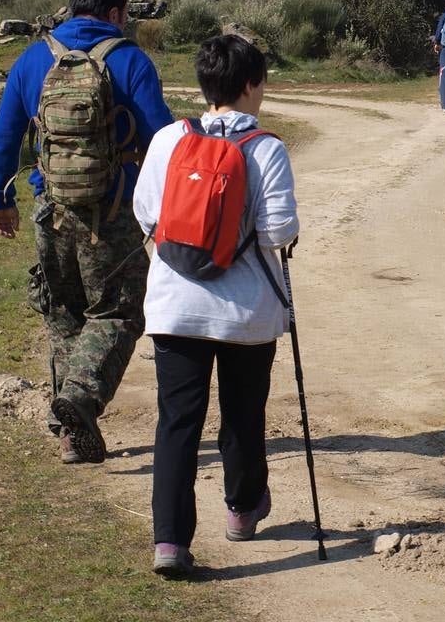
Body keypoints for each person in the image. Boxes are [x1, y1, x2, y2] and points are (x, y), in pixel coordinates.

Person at [0, 0, 173, 463]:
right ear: (115, 13)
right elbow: (162, 141)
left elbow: (3, 137)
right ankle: (80, 399)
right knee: (118, 312)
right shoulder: (129, 60)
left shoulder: (32, 61)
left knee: (63, 314)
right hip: (111, 214)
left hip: (51, 212)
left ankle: (73, 434)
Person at [133, 34, 299, 577]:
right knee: (243, 417)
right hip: (246, 313)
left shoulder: (166, 140)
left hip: (175, 307)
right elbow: (279, 230)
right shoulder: (266, 148)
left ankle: (170, 544)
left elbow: (147, 214)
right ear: (251, 85)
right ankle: (242, 510)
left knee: (177, 422)